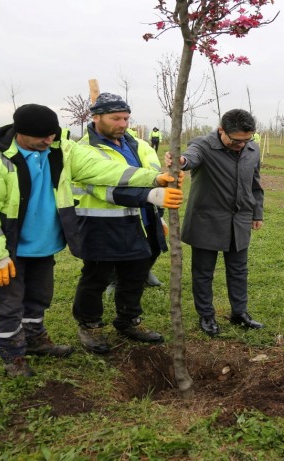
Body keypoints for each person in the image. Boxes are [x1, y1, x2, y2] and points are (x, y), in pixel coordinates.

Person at [0, 104, 180, 377]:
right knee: (8, 305)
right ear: (19, 133)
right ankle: (13, 356)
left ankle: (35, 340)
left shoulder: (61, 151)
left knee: (38, 298)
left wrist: (153, 178)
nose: (48, 141)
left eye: (52, 135)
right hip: (8, 250)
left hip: (43, 246)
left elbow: (103, 170)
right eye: (41, 137)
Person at [71, 93, 179, 353]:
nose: (122, 123)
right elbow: (111, 178)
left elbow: (154, 173)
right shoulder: (84, 150)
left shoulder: (140, 145)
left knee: (135, 275)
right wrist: (153, 186)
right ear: (96, 117)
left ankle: (129, 320)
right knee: (96, 277)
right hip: (101, 226)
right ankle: (90, 325)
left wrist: (168, 178)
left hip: (141, 222)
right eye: (115, 118)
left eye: (126, 118)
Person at [167, 109, 265, 337]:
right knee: (203, 272)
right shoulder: (202, 145)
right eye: (236, 140)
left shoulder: (252, 149)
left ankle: (239, 313)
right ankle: (207, 316)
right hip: (207, 221)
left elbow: (255, 184)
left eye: (246, 140)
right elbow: (190, 158)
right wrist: (180, 161)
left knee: (239, 270)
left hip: (239, 221)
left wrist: (256, 213)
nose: (241, 145)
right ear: (221, 130)